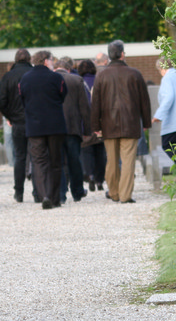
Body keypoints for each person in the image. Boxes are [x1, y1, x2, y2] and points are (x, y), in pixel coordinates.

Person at [90, 39, 152, 204]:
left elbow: (96, 103)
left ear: (109, 56)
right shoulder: (135, 74)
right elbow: (144, 101)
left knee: (111, 161)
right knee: (128, 161)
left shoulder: (101, 75)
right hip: (130, 122)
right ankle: (125, 195)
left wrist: (95, 125)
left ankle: (114, 192)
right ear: (123, 54)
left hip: (108, 124)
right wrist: (146, 122)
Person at [19, 50, 67, 210]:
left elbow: (22, 99)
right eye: (52, 60)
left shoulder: (25, 79)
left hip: (34, 126)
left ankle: (44, 194)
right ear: (46, 61)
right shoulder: (56, 78)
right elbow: (63, 95)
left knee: (39, 162)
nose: (53, 62)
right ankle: (54, 197)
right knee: (55, 161)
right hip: (55, 125)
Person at [0, 48, 34, 203]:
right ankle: (38, 191)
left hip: (17, 121)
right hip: (34, 120)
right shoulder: (34, 74)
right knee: (36, 155)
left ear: (16, 60)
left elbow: (0, 101)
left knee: (19, 156)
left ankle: (19, 191)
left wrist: (9, 116)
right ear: (30, 59)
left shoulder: (8, 77)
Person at [54, 57, 90, 203]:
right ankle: (77, 191)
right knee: (74, 160)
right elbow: (84, 107)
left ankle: (61, 193)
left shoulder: (50, 80)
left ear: (55, 68)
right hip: (73, 126)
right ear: (69, 69)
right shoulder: (76, 80)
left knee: (58, 161)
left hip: (55, 127)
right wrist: (87, 129)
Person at [77, 59, 106, 192]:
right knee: (100, 152)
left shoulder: (78, 82)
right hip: (99, 121)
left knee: (86, 151)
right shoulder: (100, 80)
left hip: (84, 122)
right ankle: (100, 180)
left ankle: (90, 175)